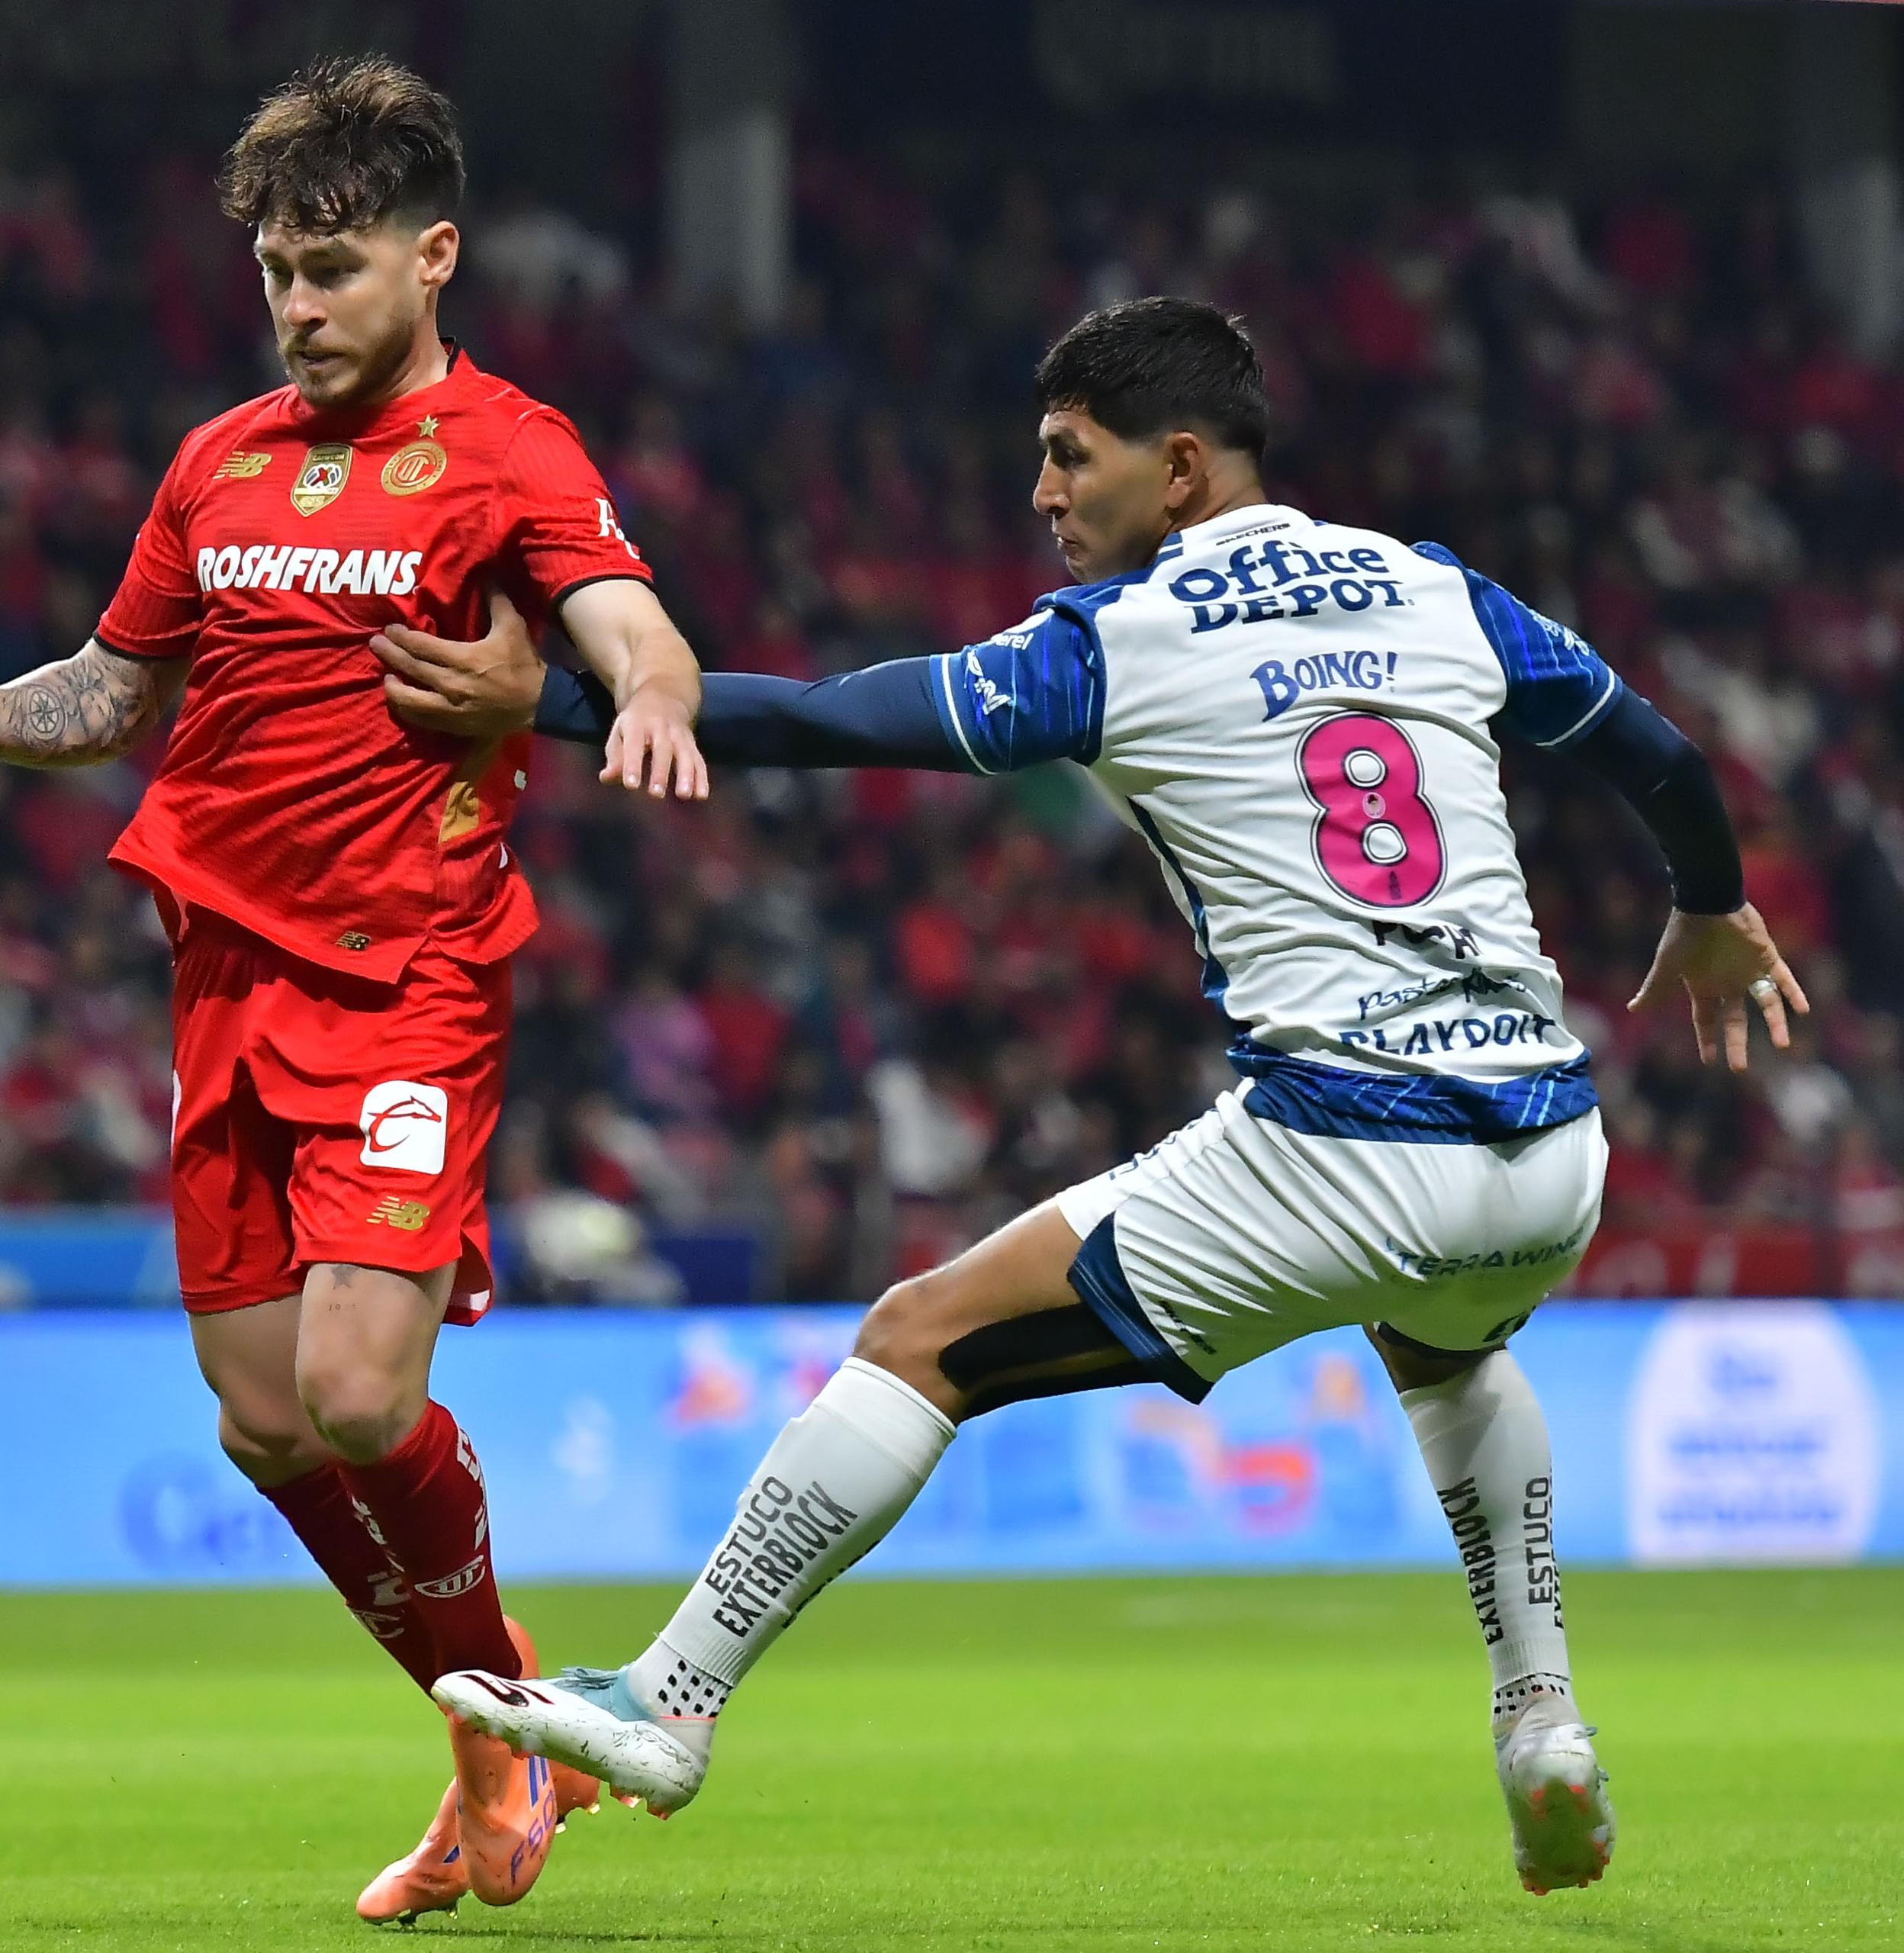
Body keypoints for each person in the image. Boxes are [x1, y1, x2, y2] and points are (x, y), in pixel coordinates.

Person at [381, 298, 1806, 1900]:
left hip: (1349, 1140)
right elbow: (1661, 755)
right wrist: (1709, 903)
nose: (1044, 493)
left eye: (1072, 457)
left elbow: (824, 719)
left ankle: (671, 1699)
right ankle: (1540, 1713)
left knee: (919, 1338)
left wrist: (556, 699)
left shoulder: (1116, 641)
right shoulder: (1437, 589)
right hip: (1550, 1149)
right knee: (1448, 1341)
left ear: (1180, 467)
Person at [0, 55, 708, 1920]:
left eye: (333, 269)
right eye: (276, 274)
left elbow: (629, 619)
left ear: (434, 256)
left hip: (409, 974)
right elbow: (114, 690)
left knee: (354, 1388)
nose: (300, 306)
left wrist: (647, 695)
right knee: (262, 1416)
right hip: (224, 977)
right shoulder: (218, 462)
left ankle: (510, 1724)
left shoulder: (511, 449)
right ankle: (499, 1727)